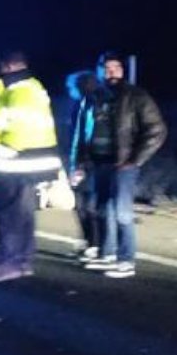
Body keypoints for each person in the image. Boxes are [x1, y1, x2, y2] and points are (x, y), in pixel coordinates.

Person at [73, 51, 167, 279]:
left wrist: (135, 159)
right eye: (106, 68)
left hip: (122, 164)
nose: (111, 72)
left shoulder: (135, 97)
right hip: (98, 163)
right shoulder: (92, 98)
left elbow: (156, 130)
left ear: (122, 71)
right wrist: (80, 163)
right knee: (102, 209)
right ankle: (108, 254)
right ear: (99, 71)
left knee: (123, 212)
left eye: (115, 68)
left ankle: (127, 260)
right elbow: (82, 134)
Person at [0, 51, 63, 283]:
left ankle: (8, 263)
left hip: (14, 166)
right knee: (22, 214)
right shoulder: (30, 88)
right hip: (26, 165)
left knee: (8, 215)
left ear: (9, 66)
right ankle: (22, 261)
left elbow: (18, 128)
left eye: (3, 67)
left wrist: (3, 151)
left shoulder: (19, 91)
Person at [63, 70, 100, 259]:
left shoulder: (93, 105)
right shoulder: (79, 106)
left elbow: (88, 136)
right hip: (78, 162)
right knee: (79, 205)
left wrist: (83, 162)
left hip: (90, 163)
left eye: (71, 86)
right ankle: (86, 240)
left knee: (89, 206)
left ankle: (95, 243)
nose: (68, 90)